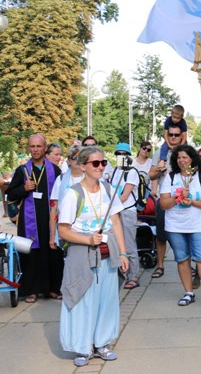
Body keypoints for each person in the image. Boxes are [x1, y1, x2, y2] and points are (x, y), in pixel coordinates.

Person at [57, 146, 129, 367]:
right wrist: (88, 240)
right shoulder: (73, 193)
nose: (100, 167)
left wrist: (124, 253)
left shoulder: (108, 189)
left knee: (106, 299)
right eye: (95, 163)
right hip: (82, 252)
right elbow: (63, 230)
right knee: (82, 298)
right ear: (82, 165)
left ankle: (102, 343)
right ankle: (82, 346)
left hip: (108, 252)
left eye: (103, 163)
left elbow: (116, 221)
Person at [159, 144, 201, 311]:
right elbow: (164, 204)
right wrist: (177, 197)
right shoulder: (171, 177)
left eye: (185, 157)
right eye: (179, 157)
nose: (181, 160)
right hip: (175, 226)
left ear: (192, 159)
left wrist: (192, 202)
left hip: (197, 225)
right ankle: (189, 293)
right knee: (182, 259)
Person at [6, 134, 62, 303]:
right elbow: (10, 194)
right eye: (32, 146)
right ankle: (31, 290)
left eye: (39, 146)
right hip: (29, 219)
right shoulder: (22, 171)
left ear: (45, 148)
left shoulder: (55, 170)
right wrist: (24, 188)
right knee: (32, 254)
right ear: (29, 148)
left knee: (53, 253)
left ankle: (53, 288)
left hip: (51, 218)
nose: (36, 149)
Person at [148, 124, 184, 279]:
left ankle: (186, 266)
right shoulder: (160, 153)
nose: (174, 137)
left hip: (183, 199)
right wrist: (159, 169)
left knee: (184, 235)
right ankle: (160, 265)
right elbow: (151, 176)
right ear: (167, 136)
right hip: (164, 198)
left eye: (177, 134)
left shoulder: (186, 153)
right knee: (161, 235)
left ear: (182, 136)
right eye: (171, 135)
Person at [49, 145, 84, 292]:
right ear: (68, 161)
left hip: (85, 227)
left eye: (79, 157)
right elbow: (54, 208)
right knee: (69, 262)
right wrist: (52, 236)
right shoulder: (61, 179)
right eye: (73, 157)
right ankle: (71, 291)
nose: (76, 160)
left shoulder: (90, 178)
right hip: (66, 228)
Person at [108, 142, 140, 290]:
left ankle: (133, 275)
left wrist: (111, 206)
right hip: (116, 211)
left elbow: (125, 195)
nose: (121, 157)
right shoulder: (115, 171)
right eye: (118, 154)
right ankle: (121, 273)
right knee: (116, 244)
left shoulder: (131, 172)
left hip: (126, 211)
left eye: (123, 154)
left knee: (128, 244)